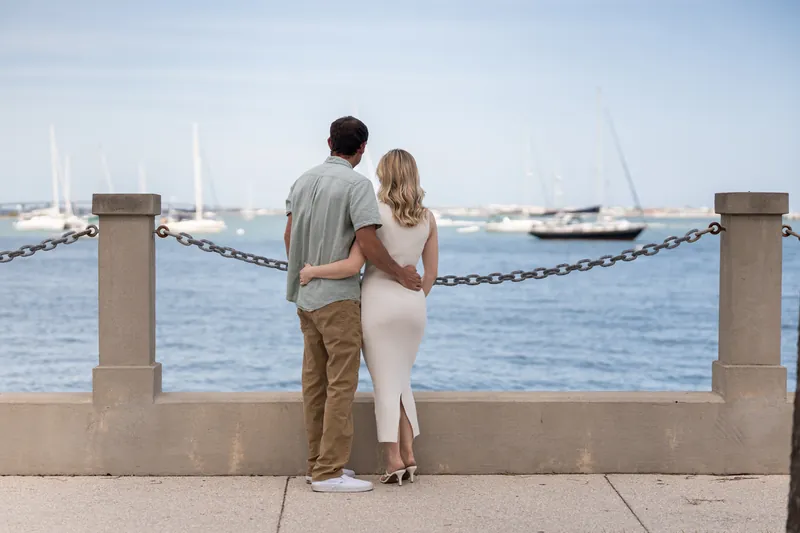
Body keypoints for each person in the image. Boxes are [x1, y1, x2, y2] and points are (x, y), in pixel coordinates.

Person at [284, 118, 423, 493]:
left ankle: (317, 466)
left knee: (314, 384)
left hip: (306, 300)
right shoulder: (357, 185)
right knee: (340, 387)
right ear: (361, 148)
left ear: (329, 141)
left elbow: (289, 235)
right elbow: (368, 242)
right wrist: (399, 274)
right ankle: (329, 473)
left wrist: (305, 273)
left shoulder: (302, 180)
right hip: (339, 299)